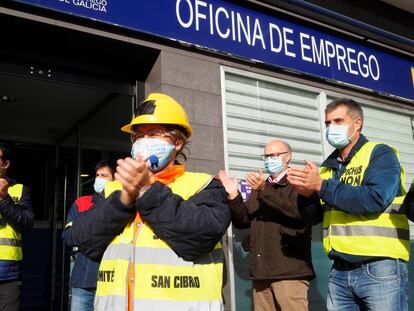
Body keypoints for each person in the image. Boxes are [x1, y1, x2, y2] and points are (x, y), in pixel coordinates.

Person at [69, 93, 231, 311]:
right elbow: (85, 240)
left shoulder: (204, 185)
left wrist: (147, 190)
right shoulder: (113, 190)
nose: (144, 142)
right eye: (138, 136)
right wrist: (123, 200)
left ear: (178, 144)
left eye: (154, 134)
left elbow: (200, 237)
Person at [287, 98, 409, 311]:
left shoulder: (380, 154)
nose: (330, 128)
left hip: (380, 267)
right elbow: (315, 217)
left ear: (357, 123)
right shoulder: (327, 168)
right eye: (327, 123)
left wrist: (322, 187)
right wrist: (307, 195)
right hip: (340, 271)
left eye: (338, 121)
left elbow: (375, 198)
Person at [218, 140, 314, 311]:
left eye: (274, 155)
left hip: (289, 272)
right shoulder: (261, 187)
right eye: (266, 156)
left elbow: (297, 213)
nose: (269, 159)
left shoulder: (297, 182)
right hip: (261, 273)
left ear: (288, 157)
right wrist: (234, 196)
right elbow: (244, 221)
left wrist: (263, 190)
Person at [62, 160, 115, 311]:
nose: (99, 179)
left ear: (115, 180)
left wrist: (85, 231)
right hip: (84, 282)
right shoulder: (82, 203)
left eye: (104, 176)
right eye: (97, 175)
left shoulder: (121, 206)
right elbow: (68, 236)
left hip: (112, 283)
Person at [0, 144, 34, 311]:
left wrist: (4, 199)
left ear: (5, 164)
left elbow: (25, 224)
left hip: (8, 277)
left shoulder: (20, 190)